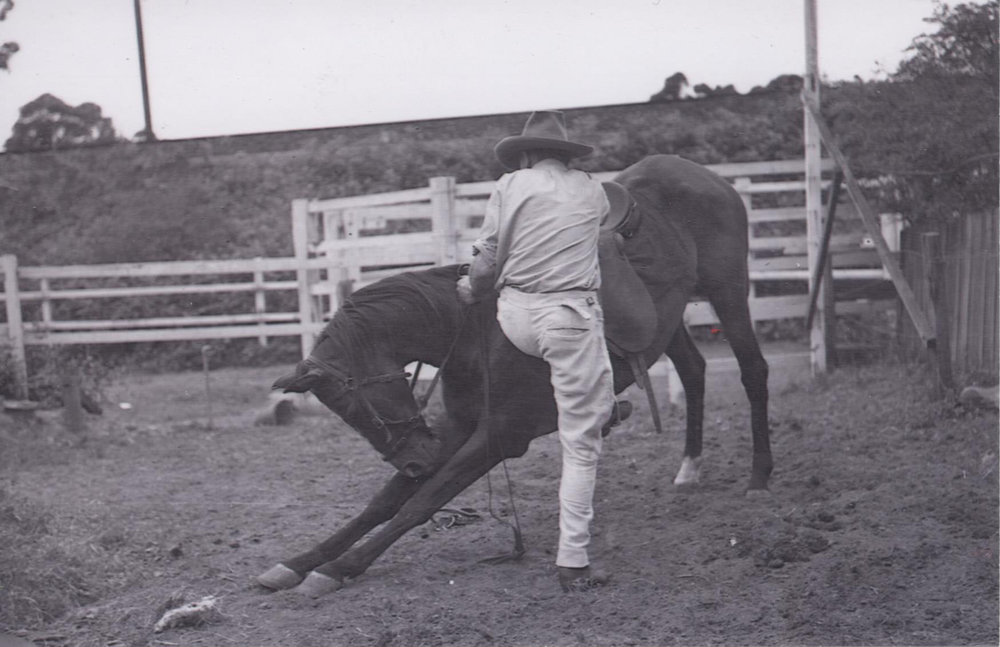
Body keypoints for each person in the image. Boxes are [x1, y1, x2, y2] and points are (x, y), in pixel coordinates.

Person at [457, 110, 615, 592]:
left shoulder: (510, 184)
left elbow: (485, 264)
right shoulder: (593, 189)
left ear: (525, 154)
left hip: (515, 317)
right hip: (568, 319)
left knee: (493, 305)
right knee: (581, 443)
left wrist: (470, 286)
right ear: (567, 156)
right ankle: (573, 560)